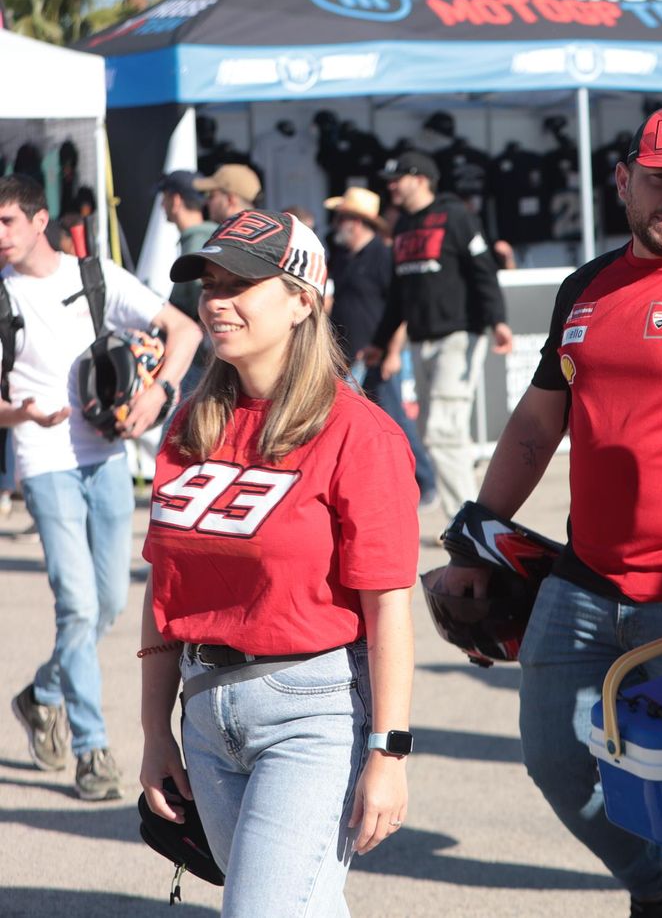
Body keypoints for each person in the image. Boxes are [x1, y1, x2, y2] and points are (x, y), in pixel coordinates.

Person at [436, 106, 662, 918]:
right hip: (583, 582)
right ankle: (655, 885)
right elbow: (539, 424)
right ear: (624, 181)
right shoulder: (585, 287)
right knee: (553, 761)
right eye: (660, 180)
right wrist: (474, 538)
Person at [138, 208, 418, 915]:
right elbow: (163, 589)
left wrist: (388, 752)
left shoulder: (360, 433)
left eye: (242, 283)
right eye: (209, 282)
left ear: (302, 300)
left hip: (312, 714)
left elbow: (388, 609)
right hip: (204, 714)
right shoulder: (190, 423)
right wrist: (152, 732)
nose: (216, 300)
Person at [2, 174, 201, 802]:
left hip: (108, 452)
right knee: (79, 606)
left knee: (112, 602)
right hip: (44, 458)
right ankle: (92, 750)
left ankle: (43, 695)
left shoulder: (95, 276)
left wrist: (159, 393)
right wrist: (22, 415)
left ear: (39, 221)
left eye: (6, 221)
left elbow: (185, 331)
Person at [367, 150, 513, 518]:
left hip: (459, 337)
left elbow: (484, 271)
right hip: (420, 339)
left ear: (420, 179)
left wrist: (498, 321)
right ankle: (472, 516)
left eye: (397, 178)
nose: (391, 186)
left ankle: (465, 524)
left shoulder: (456, 216)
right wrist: (382, 342)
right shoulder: (401, 227)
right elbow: (399, 294)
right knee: (441, 434)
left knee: (442, 431)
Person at [325, 186, 437, 507]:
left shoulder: (383, 255)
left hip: (377, 353)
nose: (337, 223)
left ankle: (426, 481)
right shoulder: (343, 257)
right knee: (353, 422)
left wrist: (392, 352)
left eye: (343, 216)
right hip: (348, 356)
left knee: (393, 419)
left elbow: (399, 309)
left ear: (358, 222)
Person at [158, 170, 215, 326]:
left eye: (164, 198)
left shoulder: (196, 246)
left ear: (176, 201)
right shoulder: (210, 237)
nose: (162, 205)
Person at [195, 164, 261, 224]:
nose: (207, 202)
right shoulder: (266, 232)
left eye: (211, 196)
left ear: (230, 200)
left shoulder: (230, 235)